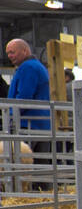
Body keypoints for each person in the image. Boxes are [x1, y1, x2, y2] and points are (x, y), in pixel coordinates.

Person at [5, 38, 51, 187]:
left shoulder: (28, 68)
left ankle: (27, 196)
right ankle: (43, 198)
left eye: (12, 52)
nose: (9, 56)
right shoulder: (37, 66)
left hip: (28, 124)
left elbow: (24, 97)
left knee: (21, 163)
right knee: (40, 166)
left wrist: (9, 115)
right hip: (41, 124)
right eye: (8, 53)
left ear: (24, 50)